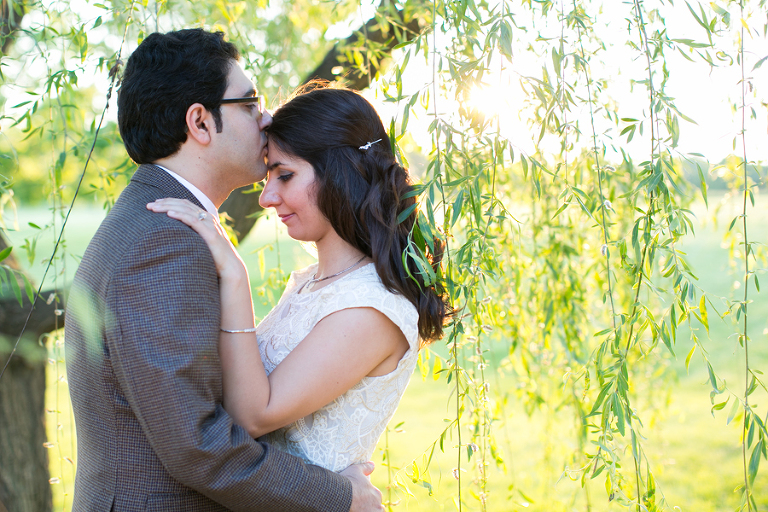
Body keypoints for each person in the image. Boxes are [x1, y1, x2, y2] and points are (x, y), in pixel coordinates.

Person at [65, 29, 382, 511]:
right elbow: (199, 445)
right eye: (250, 103)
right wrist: (339, 496)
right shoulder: (163, 243)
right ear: (200, 122)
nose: (267, 117)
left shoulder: (158, 223)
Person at [146, 84, 450, 473]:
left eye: (284, 175)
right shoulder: (314, 282)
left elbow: (253, 416)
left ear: (340, 174)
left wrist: (235, 278)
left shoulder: (373, 308)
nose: (266, 197)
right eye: (268, 177)